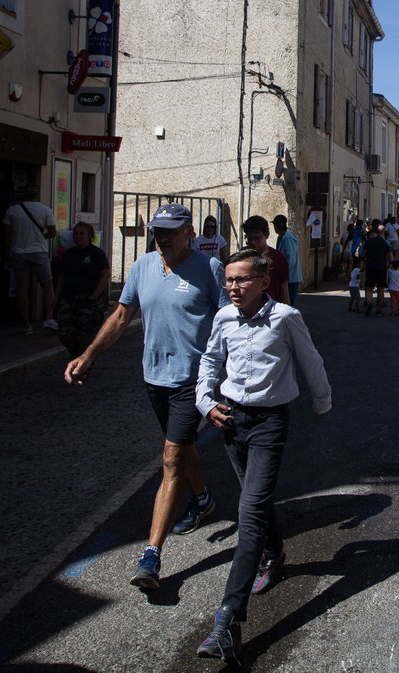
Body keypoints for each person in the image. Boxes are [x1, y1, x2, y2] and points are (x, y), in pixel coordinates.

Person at [63, 203, 229, 589]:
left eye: (170, 231)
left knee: (171, 456)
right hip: (155, 377)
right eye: (157, 231)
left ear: (189, 232)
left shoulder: (210, 270)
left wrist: (232, 379)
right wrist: (87, 356)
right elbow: (121, 317)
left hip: (193, 379)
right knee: (182, 445)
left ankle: (151, 556)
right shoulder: (142, 267)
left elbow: (226, 325)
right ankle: (203, 499)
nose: (162, 238)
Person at [194, 249, 331, 663]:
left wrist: (322, 401)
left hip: (271, 422)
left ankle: (227, 621)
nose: (233, 287)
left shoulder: (285, 317)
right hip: (230, 419)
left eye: (242, 280)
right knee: (255, 497)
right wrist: (205, 402)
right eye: (229, 281)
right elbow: (210, 360)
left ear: (263, 283)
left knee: (249, 510)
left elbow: (311, 360)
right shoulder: (223, 318)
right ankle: (275, 552)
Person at [1, 190, 58, 335]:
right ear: (37, 195)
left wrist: (8, 254)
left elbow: (6, 235)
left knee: (22, 289)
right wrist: (41, 236)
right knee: (47, 287)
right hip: (39, 251)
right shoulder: (45, 209)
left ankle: (26, 325)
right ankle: (48, 318)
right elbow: (52, 232)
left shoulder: (12, 210)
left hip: (19, 252)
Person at [54, 221, 110, 358]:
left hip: (88, 299)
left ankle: (82, 361)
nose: (78, 236)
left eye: (81, 233)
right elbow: (62, 276)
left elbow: (105, 275)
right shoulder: (69, 254)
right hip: (68, 298)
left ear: (90, 235)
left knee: (85, 334)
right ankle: (77, 356)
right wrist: (56, 297)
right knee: (64, 333)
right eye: (75, 233)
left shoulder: (97, 254)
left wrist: (95, 296)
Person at [241, 216, 291, 305]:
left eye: (257, 238)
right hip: (247, 308)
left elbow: (284, 289)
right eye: (249, 238)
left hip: (272, 309)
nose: (253, 242)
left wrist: (286, 313)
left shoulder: (278, 257)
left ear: (267, 234)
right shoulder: (242, 256)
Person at [360, 225, 392, 317]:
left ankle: (369, 302)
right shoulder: (386, 243)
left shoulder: (369, 242)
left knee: (369, 288)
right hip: (382, 268)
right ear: (384, 232)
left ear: (376, 232)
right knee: (380, 290)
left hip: (370, 267)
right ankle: (379, 310)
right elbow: (391, 258)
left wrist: (365, 260)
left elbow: (362, 254)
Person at [273, 214, 303, 304]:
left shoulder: (287, 238)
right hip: (287, 277)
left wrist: (284, 274)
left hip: (290, 278)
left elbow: (291, 259)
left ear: (277, 226)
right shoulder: (282, 237)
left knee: (288, 302)